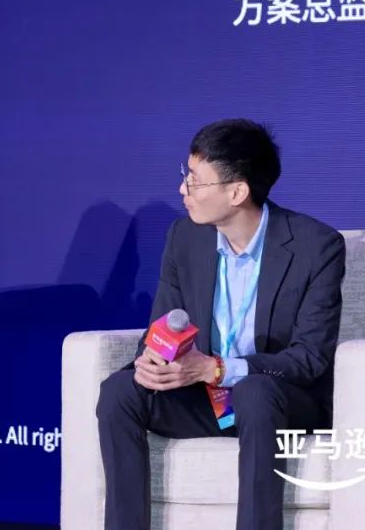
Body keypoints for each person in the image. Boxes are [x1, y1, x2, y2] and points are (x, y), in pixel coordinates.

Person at [96, 119, 346, 530]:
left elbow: (310, 358)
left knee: (254, 392)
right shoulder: (185, 237)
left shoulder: (316, 247)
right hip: (206, 400)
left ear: (237, 192)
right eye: (186, 175)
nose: (183, 189)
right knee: (120, 390)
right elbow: (163, 322)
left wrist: (217, 369)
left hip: (278, 401)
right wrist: (152, 360)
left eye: (195, 181)